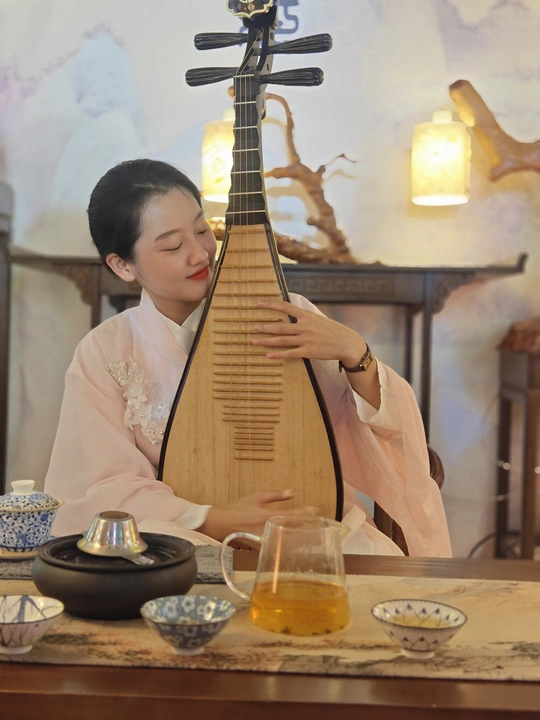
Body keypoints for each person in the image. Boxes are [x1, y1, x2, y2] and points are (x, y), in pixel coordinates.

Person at [45, 159, 451, 557]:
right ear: (122, 265)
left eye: (202, 230)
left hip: (305, 525)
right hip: (183, 540)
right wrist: (212, 519)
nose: (200, 254)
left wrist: (354, 352)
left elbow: (374, 434)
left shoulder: (285, 311)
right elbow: (106, 486)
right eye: (172, 245)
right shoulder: (106, 350)